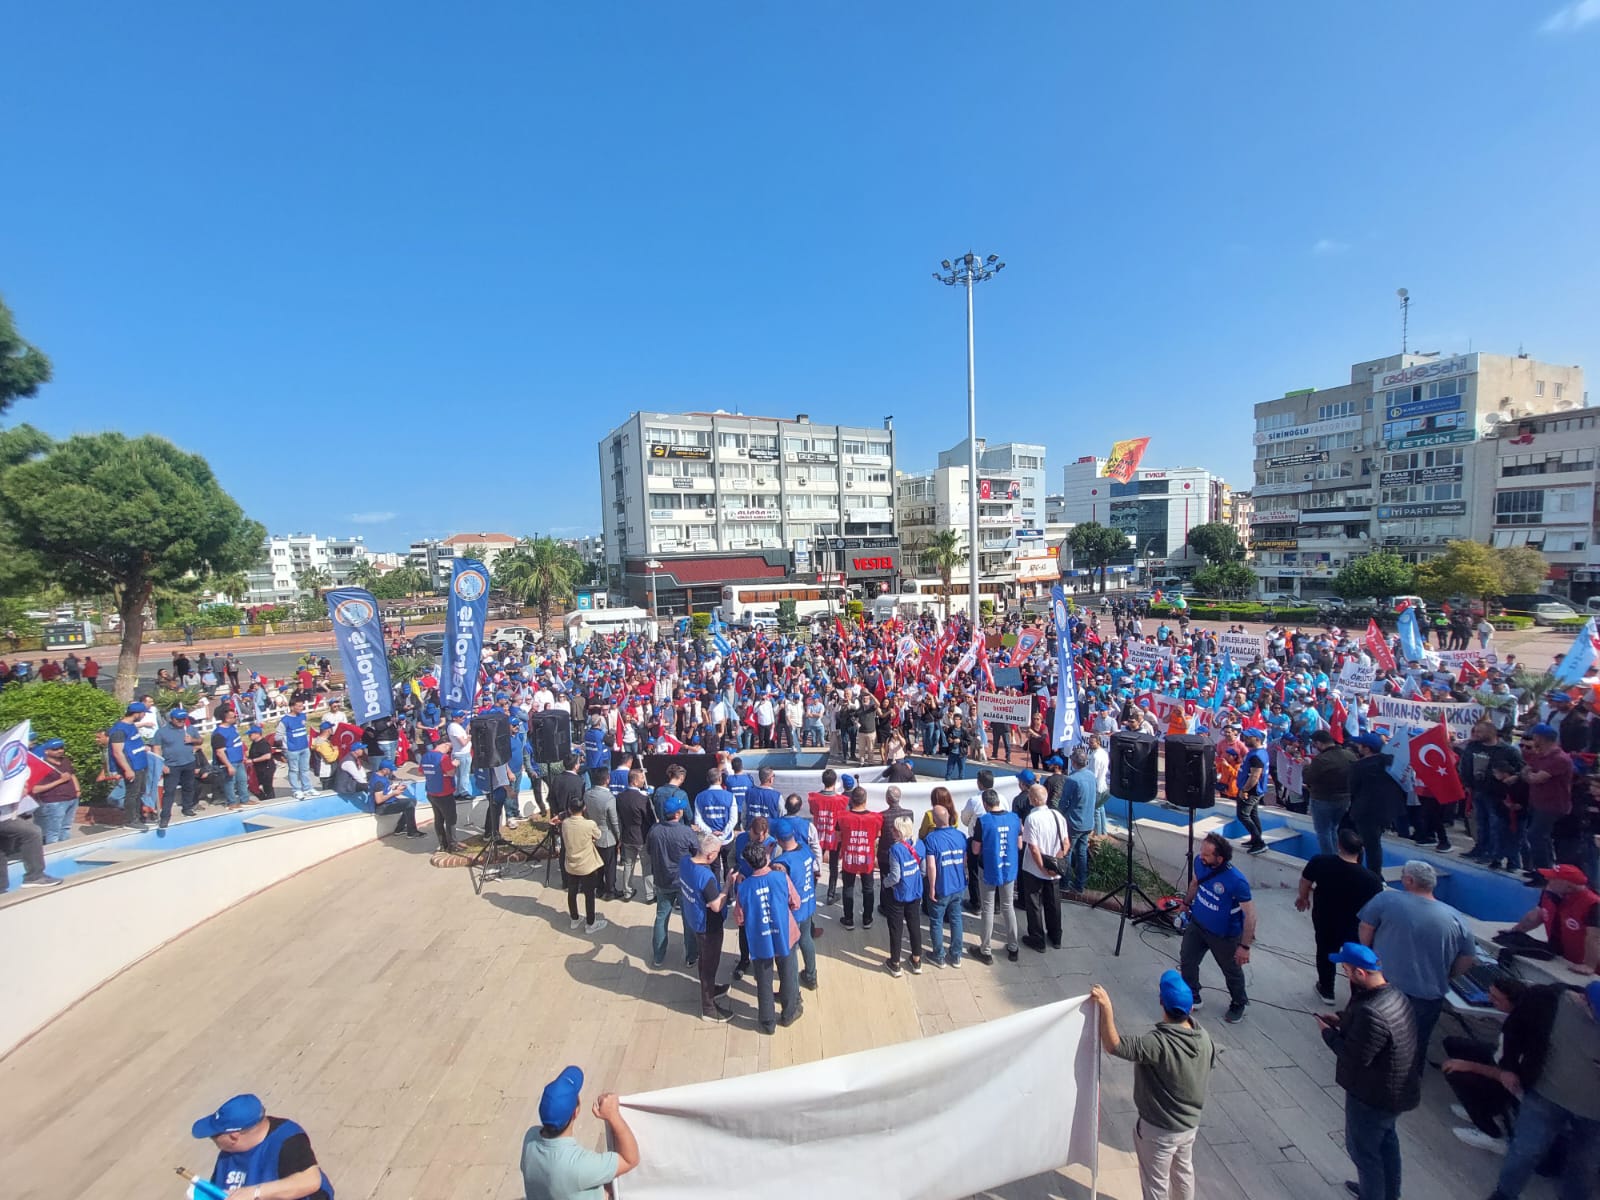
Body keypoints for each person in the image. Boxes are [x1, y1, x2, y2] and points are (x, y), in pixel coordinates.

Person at [1089, 972, 1215, 1200]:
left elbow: (1113, 1045)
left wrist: (1107, 1007)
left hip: (1159, 1131)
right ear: (1191, 1009)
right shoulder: (1204, 1038)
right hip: (1189, 1127)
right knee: (1183, 1174)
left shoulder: (1157, 1043)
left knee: (1155, 1185)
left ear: (1161, 1002)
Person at [1316, 942, 1419, 1200]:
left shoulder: (1371, 1012)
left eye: (1347, 969)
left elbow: (1354, 1056)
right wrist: (1343, 1020)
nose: (1344, 973)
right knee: (1386, 1146)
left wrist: (1328, 1034)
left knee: (1364, 1153)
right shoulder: (1394, 995)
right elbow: (1376, 1036)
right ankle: (1389, 1193)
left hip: (1373, 1096)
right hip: (1395, 1093)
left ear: (1360, 974)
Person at [1483, 981, 1600, 1200]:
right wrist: (1508, 1067)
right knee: (1525, 1151)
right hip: (1546, 1096)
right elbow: (1514, 1029)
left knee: (1584, 1167)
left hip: (1594, 1113)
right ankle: (1504, 1195)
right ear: (1584, 1000)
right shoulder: (1546, 1000)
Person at [1357, 860, 1475, 1072]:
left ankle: (1372, 1076)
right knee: (1416, 1041)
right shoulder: (1457, 918)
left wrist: (1366, 961)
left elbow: (1366, 928)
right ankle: (1408, 1081)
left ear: (1409, 881)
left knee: (1374, 1033)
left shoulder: (1386, 899)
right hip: (1429, 994)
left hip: (1384, 986)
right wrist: (1446, 976)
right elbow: (1467, 958)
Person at [1438, 973, 1553, 1152]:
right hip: (1500, 1059)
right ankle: (1487, 1109)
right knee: (1454, 1044)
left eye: (1496, 999)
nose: (1491, 1001)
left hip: (1513, 1083)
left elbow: (1509, 1075)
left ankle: (1493, 1134)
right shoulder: (1519, 1013)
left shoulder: (1526, 1033)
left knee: (1455, 1072)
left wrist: (1468, 1066)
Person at [520, 1065, 640, 1200]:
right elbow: (630, 1159)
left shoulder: (530, 1138)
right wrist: (613, 1115)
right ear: (575, 1112)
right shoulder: (579, 1164)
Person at [190, 1092, 333, 1199]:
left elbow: (310, 1181)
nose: (212, 1139)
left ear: (234, 1136)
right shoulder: (228, 1153)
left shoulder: (287, 1140)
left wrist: (255, 1193)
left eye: (214, 1135)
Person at [1297, 829, 1383, 1003]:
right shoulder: (1371, 879)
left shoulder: (1320, 862)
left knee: (1325, 951)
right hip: (1354, 924)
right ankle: (1357, 993)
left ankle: (1326, 989)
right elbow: (1375, 907)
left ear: (1339, 845)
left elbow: (1305, 881)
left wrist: (1303, 898)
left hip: (1325, 918)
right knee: (1356, 958)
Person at [1179, 832, 1256, 1024]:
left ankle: (1238, 1002)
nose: (1200, 856)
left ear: (1219, 858)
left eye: (1206, 854)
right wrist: (1186, 903)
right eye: (1201, 852)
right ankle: (1193, 995)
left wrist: (1244, 946)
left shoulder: (1237, 882)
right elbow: (1195, 883)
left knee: (1231, 970)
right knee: (1187, 959)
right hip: (1198, 924)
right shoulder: (1199, 862)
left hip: (1224, 935)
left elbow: (1251, 916)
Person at [731, 839, 802, 1033]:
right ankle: (789, 1013)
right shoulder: (781, 878)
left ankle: (767, 1022)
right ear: (766, 857)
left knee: (763, 980)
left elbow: (739, 919)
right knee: (787, 974)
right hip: (784, 935)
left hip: (760, 940)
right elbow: (796, 903)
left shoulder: (744, 888)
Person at [1496, 863, 1600, 973]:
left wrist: (1589, 966)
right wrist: (1514, 931)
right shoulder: (1552, 893)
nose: (1547, 879)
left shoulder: (1593, 904)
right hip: (1561, 953)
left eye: (1553, 878)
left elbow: (1595, 938)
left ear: (1568, 885)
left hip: (1587, 963)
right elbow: (1535, 916)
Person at [679, 832, 733, 1021]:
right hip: (708, 927)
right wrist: (727, 886)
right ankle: (708, 1007)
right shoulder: (707, 877)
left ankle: (710, 989)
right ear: (710, 855)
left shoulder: (685, 862)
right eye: (717, 852)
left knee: (705, 960)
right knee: (709, 965)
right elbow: (716, 906)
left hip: (694, 919)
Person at [970, 787, 1022, 965]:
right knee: (1008, 907)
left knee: (988, 908)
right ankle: (1013, 946)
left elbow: (976, 849)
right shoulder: (1014, 818)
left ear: (985, 804)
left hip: (989, 868)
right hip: (1009, 868)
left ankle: (985, 949)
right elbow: (1020, 844)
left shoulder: (983, 821)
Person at [1018, 782, 1067, 953]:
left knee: (1035, 905)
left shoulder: (1032, 818)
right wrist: (1055, 863)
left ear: (1032, 799)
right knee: (1053, 903)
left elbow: (1033, 847)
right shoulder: (1057, 815)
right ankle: (1056, 936)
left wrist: (1042, 868)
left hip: (1034, 869)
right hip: (1054, 869)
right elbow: (1066, 842)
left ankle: (1037, 938)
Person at [772, 818, 819, 990]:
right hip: (808, 904)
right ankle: (811, 975)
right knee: (806, 939)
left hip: (793, 911)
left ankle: (791, 989)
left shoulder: (783, 862)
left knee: (790, 950)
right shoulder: (805, 849)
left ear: (778, 839)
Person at [1348, 733, 1403, 877]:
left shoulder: (1359, 766)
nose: (1358, 747)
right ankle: (1373, 873)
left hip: (1365, 811)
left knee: (1368, 845)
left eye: (1360, 745)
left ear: (1367, 749)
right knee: (1374, 844)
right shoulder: (1391, 762)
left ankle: (1373, 876)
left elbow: (1352, 788)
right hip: (1386, 811)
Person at [1519, 723, 1573, 870]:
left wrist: (1530, 776)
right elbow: (1525, 772)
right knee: (1540, 837)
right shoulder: (1540, 756)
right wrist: (1530, 775)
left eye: (1534, 736)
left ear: (1540, 738)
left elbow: (1536, 778)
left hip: (1552, 804)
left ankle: (1543, 871)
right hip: (1537, 802)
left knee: (1536, 836)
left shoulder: (1559, 758)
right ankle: (1543, 870)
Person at [922, 803, 967, 969]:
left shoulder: (931, 839)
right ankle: (956, 956)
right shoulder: (960, 836)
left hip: (941, 886)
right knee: (956, 919)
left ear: (934, 821)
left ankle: (938, 955)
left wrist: (931, 887)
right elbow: (964, 861)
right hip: (958, 885)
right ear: (948, 817)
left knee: (936, 921)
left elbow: (931, 866)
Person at [880, 813, 924, 976]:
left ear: (899, 832)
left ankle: (895, 963)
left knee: (896, 928)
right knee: (914, 925)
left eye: (895, 829)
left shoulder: (895, 850)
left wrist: (885, 883)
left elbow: (895, 876)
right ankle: (917, 960)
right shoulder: (918, 845)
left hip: (899, 893)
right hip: (915, 891)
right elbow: (923, 869)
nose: (892, 831)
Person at [835, 785, 883, 930]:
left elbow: (838, 837)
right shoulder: (876, 817)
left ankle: (848, 919)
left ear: (851, 800)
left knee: (848, 887)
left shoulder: (842, 817)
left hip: (849, 857)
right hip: (866, 858)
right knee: (868, 888)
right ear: (865, 800)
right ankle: (867, 919)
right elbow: (878, 835)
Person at [560, 796, 608, 935]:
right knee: (589, 894)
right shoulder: (589, 824)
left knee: (572, 891)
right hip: (587, 865)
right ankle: (590, 923)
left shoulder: (565, 823)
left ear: (569, 809)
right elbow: (598, 835)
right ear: (584, 808)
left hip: (571, 863)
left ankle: (574, 918)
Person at [1304, 729, 1354, 857]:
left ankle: (1329, 860)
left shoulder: (1321, 759)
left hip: (1323, 799)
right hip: (1344, 799)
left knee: (1323, 831)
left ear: (1319, 743)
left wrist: (1306, 766)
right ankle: (1336, 855)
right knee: (1333, 828)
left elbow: (1308, 778)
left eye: (1315, 744)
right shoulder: (1349, 755)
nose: (1314, 747)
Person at [108, 701, 152, 830]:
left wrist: (142, 748)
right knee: (132, 794)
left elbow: (132, 744)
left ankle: (139, 818)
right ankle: (131, 820)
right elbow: (117, 752)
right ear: (136, 713)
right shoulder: (119, 730)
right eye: (143, 713)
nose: (144, 716)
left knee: (140, 792)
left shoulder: (131, 725)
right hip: (132, 766)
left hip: (140, 764)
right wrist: (127, 769)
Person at [1061, 746, 1098, 898]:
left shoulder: (1072, 779)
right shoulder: (1091, 776)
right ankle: (1080, 884)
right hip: (1087, 821)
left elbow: (1064, 802)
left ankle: (1065, 883)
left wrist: (1059, 815)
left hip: (1074, 822)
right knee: (1082, 853)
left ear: (1074, 762)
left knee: (1067, 852)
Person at [807, 768, 847, 904]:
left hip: (818, 835)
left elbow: (813, 812)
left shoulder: (814, 798)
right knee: (834, 865)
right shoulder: (842, 800)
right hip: (834, 835)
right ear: (835, 782)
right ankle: (831, 894)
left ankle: (811, 890)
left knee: (815, 863)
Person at [614, 767, 654, 902]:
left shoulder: (620, 797)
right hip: (642, 836)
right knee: (647, 865)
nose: (644, 781)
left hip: (627, 835)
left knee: (628, 864)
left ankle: (627, 892)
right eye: (642, 778)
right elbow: (649, 818)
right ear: (635, 781)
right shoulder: (642, 799)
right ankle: (650, 894)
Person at [582, 768, 621, 900]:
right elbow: (614, 821)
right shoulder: (609, 798)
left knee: (598, 864)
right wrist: (619, 837)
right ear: (607, 779)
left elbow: (586, 813)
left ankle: (599, 888)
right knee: (610, 866)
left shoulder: (587, 794)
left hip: (593, 834)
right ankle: (610, 891)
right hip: (607, 836)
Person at [421, 736, 460, 852]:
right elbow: (451, 773)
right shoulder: (443, 758)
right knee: (451, 819)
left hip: (431, 792)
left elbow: (421, 772)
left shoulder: (425, 756)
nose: (449, 751)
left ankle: (443, 844)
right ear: (445, 745)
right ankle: (453, 845)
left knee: (438, 819)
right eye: (450, 748)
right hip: (445, 793)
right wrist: (455, 765)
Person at [1235, 729, 1269, 855]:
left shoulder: (1256, 756)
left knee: (1243, 815)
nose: (1246, 739)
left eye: (1249, 738)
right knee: (1253, 814)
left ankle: (1259, 843)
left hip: (1251, 791)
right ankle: (1255, 839)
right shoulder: (1258, 752)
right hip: (1254, 790)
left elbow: (1255, 776)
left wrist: (1244, 790)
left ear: (1257, 739)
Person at [368, 758, 422, 837]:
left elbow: (385, 789)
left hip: (389, 802)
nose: (392, 772)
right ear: (385, 770)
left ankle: (400, 828)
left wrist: (396, 787)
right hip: (382, 807)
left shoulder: (379, 776)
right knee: (409, 804)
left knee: (412, 801)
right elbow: (379, 800)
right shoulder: (378, 781)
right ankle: (412, 832)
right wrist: (393, 793)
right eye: (390, 770)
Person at [211, 706, 251, 811]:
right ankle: (232, 802)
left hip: (238, 760)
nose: (236, 718)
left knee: (242, 780)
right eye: (233, 717)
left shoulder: (233, 728)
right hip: (229, 762)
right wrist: (228, 766)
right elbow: (219, 752)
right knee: (229, 783)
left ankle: (245, 799)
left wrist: (243, 756)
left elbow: (237, 743)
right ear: (227, 719)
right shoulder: (218, 733)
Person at [279, 696, 315, 800]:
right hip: (292, 749)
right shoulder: (285, 720)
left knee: (305, 769)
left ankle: (307, 788)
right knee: (294, 770)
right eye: (298, 706)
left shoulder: (303, 716)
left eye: (302, 705)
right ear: (292, 707)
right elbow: (279, 735)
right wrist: (285, 747)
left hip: (304, 747)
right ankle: (296, 790)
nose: (301, 707)